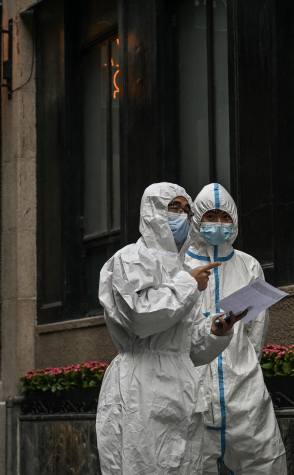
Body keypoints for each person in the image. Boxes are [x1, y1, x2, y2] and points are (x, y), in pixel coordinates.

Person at [97, 182, 247, 475]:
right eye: (174, 207)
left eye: (186, 209)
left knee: (183, 466)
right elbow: (141, 317)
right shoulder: (130, 258)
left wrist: (216, 332)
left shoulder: (180, 269)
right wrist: (190, 283)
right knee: (143, 465)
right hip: (142, 386)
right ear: (151, 211)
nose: (182, 214)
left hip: (180, 387)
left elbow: (185, 347)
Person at [185, 183, 287, 475]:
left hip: (244, 391)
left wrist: (242, 364)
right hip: (194, 393)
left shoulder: (248, 265)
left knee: (262, 462)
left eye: (224, 216)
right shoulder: (181, 267)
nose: (218, 223)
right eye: (210, 216)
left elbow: (256, 330)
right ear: (197, 219)